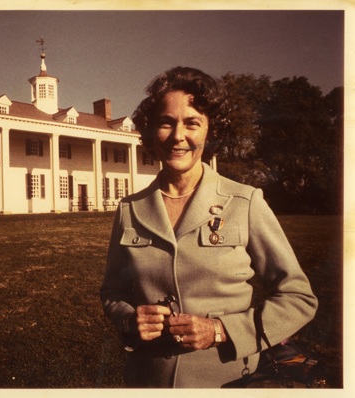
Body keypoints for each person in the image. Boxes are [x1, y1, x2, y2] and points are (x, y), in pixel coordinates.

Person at [100, 66, 318, 388]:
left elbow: (298, 297)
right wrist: (129, 319)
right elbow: (112, 292)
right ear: (152, 131)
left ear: (209, 131)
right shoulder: (130, 209)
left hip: (230, 381)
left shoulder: (245, 202)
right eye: (166, 123)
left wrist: (221, 330)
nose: (178, 136)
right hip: (147, 382)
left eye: (192, 123)